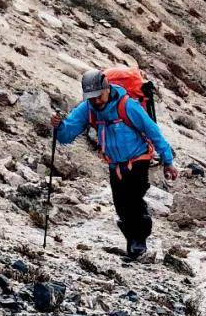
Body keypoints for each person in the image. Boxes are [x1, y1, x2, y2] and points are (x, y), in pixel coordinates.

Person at [51, 69, 177, 260]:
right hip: (114, 164)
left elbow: (154, 132)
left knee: (133, 202)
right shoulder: (87, 109)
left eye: (98, 96)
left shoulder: (128, 106)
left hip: (138, 160)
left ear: (107, 88)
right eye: (91, 98)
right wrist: (59, 127)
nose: (96, 101)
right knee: (121, 206)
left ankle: (139, 244)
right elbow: (67, 135)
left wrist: (168, 162)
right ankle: (132, 245)